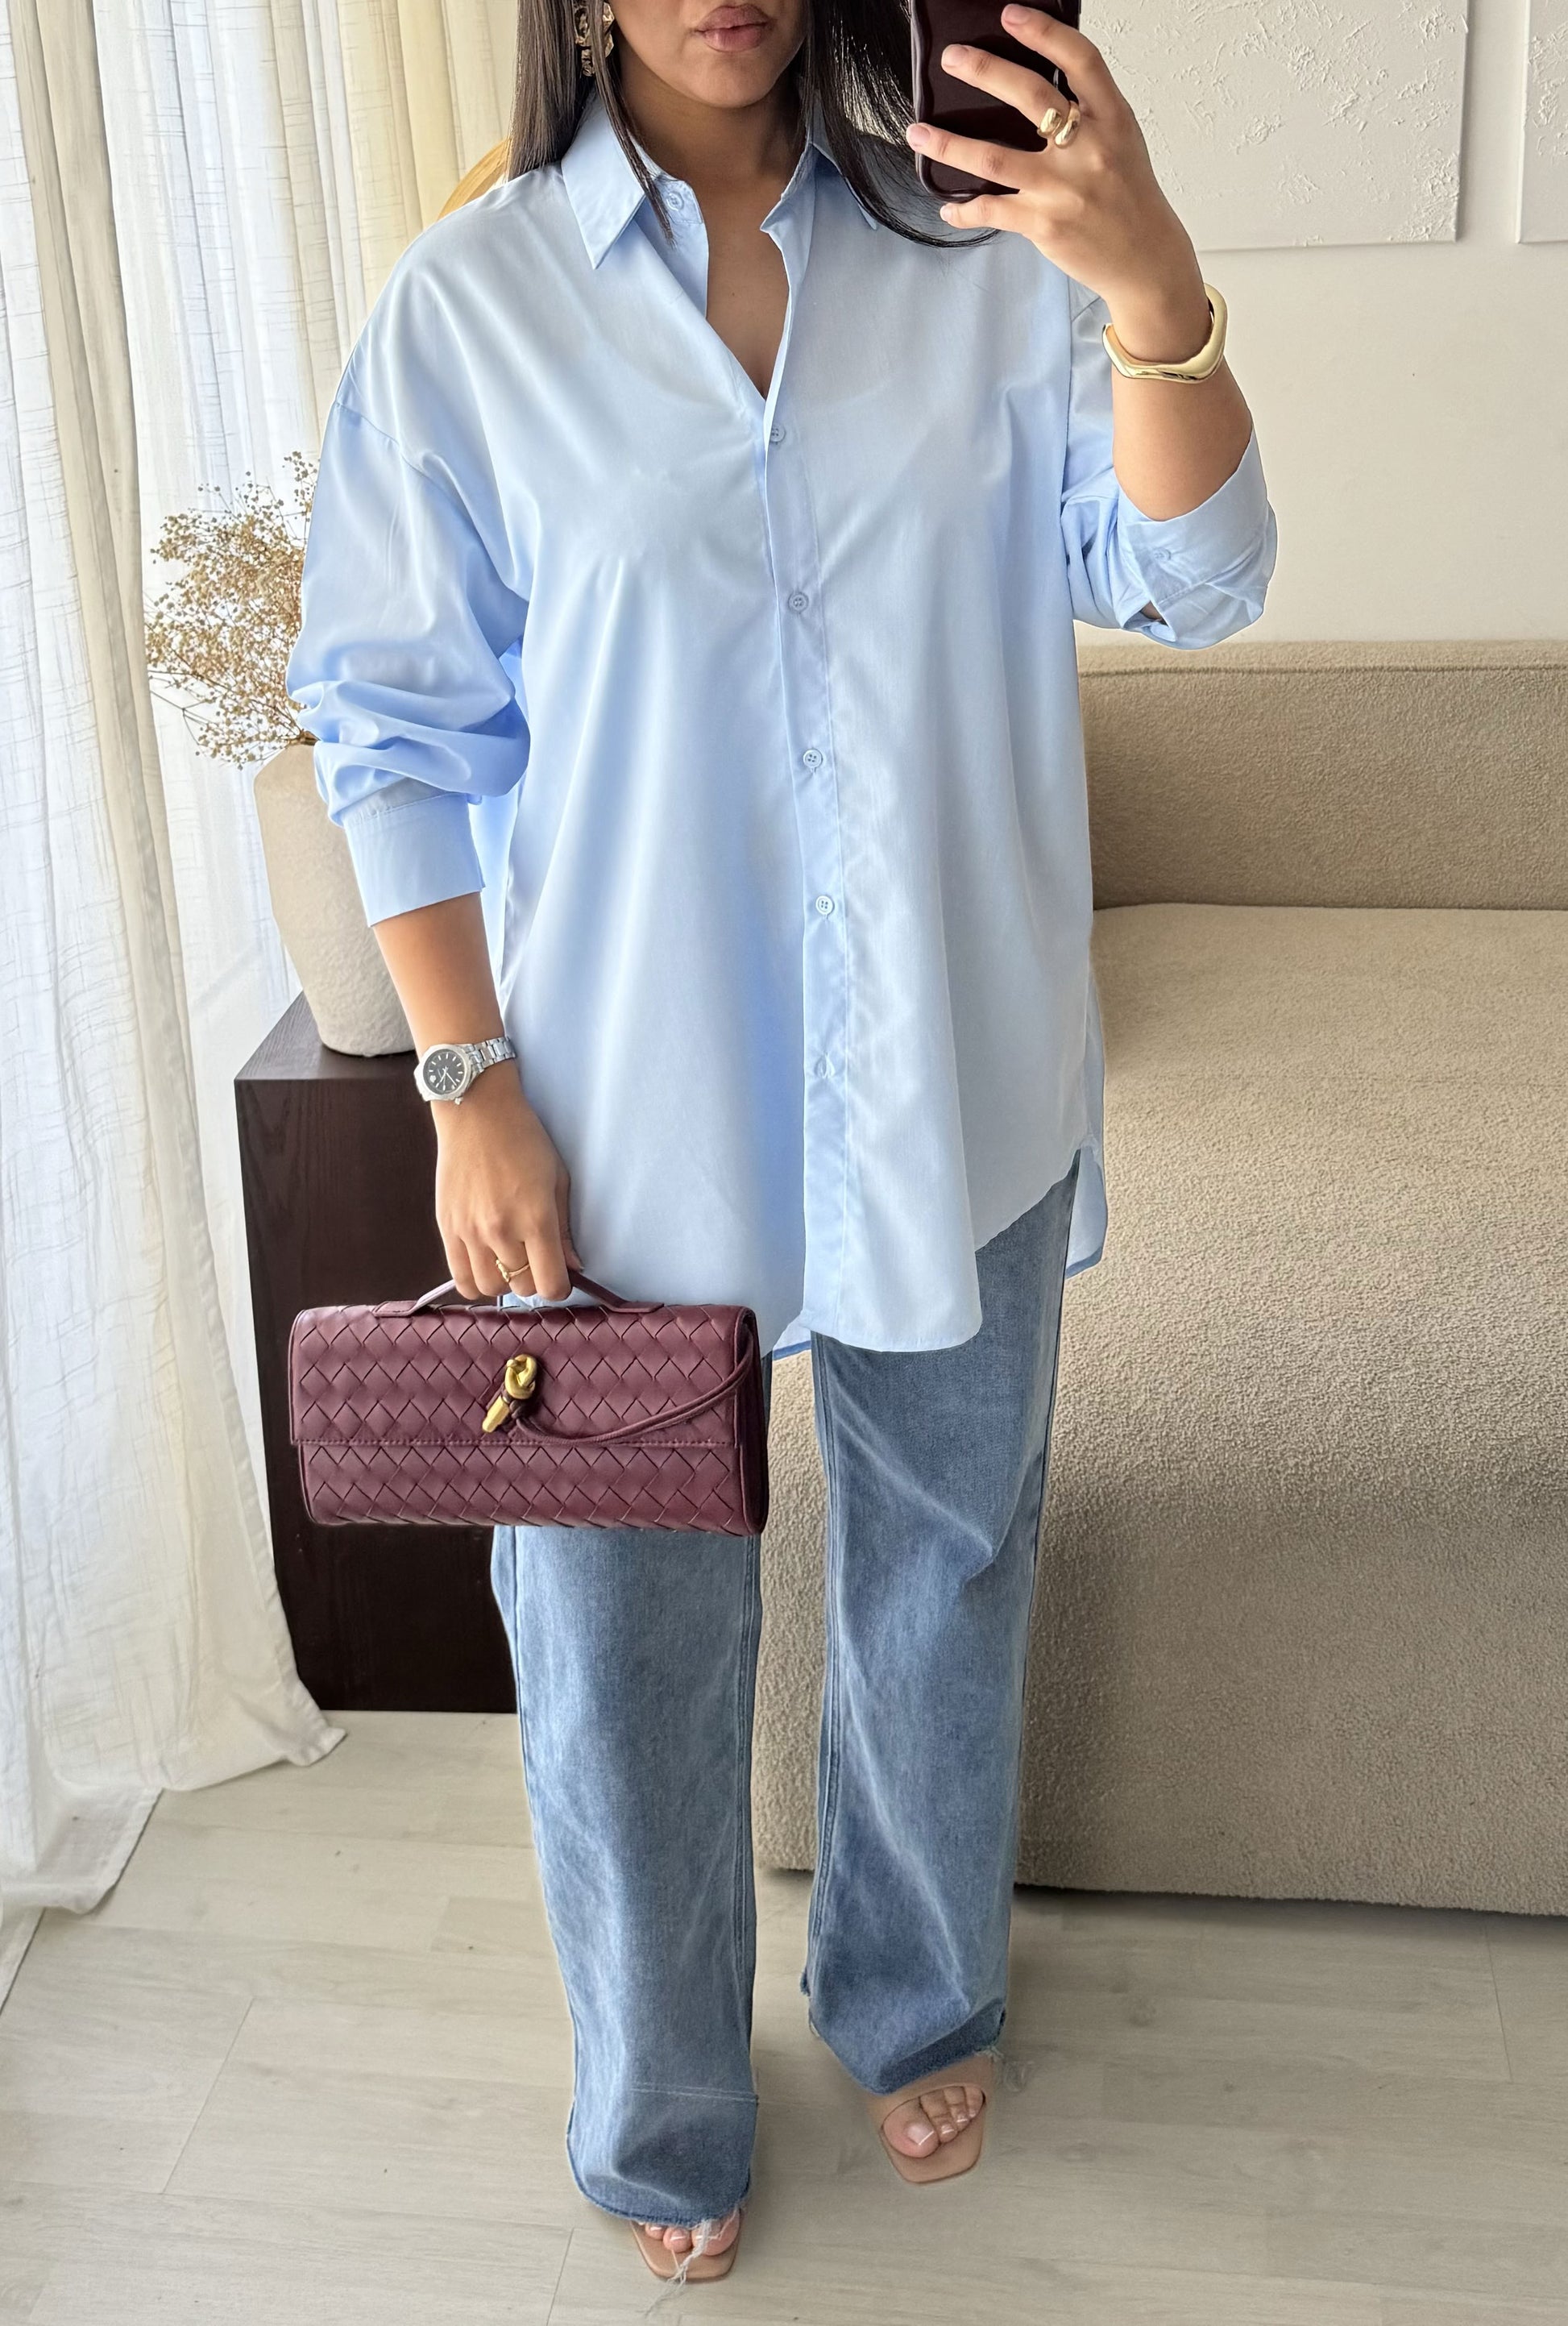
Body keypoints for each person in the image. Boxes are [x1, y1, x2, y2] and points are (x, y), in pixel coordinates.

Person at [288, 0, 1275, 2284]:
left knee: (946, 1562)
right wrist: (465, 1084)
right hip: (626, 1106)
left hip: (959, 1070)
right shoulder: (472, 307)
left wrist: (1147, 275)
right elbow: (394, 726)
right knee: (620, 1638)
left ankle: (914, 1993)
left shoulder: (977, 251)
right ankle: (660, 2102)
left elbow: (1195, 578)